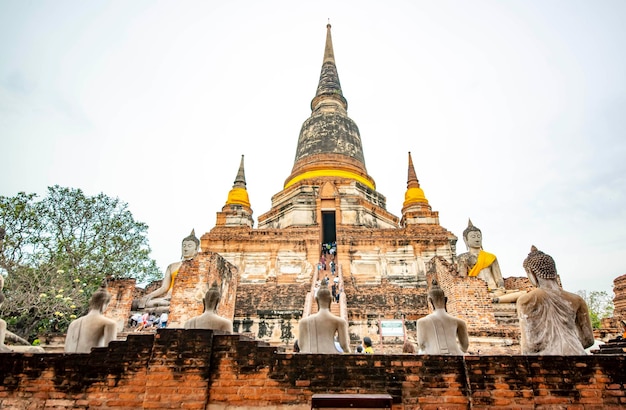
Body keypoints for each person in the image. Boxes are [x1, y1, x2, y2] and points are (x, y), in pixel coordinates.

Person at [517, 245, 594, 355]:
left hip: (547, 361)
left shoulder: (526, 300)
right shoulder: (577, 300)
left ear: (531, 273)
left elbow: (529, 347)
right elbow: (588, 340)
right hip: (578, 355)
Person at [457, 219, 525, 303]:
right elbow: (463, 280)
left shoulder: (491, 257)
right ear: (465, 240)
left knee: (523, 293)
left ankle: (496, 300)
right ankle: (495, 300)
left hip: (496, 291)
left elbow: (498, 278)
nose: (477, 239)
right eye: (473, 237)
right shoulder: (463, 257)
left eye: (479, 236)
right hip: (477, 291)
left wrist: (501, 287)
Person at [139, 230, 199, 309]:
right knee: (140, 302)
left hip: (183, 299)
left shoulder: (198, 266)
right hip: (166, 298)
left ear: (196, 249)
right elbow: (164, 288)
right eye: (184, 246)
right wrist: (149, 296)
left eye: (189, 246)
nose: (186, 249)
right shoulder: (172, 266)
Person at [416, 279, 469, 355]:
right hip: (456, 356)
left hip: (432, 358)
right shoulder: (459, 322)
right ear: (446, 300)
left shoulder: (421, 322)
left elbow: (422, 346)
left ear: (430, 301)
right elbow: (464, 347)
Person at [298, 283, 350, 353]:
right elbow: (344, 346)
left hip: (310, 359)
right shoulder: (340, 321)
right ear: (331, 299)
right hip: (332, 358)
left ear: (316, 300)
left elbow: (301, 346)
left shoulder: (303, 322)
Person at [65, 287, 118, 353]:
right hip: (93, 361)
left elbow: (67, 349)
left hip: (70, 361)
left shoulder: (74, 323)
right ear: (104, 304)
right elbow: (110, 352)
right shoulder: (110, 323)